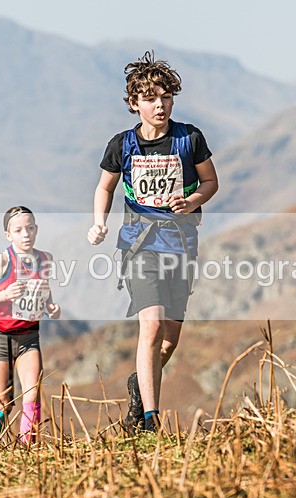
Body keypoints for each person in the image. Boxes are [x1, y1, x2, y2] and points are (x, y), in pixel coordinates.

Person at [87, 51, 219, 432]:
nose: (158, 105)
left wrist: (192, 200)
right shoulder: (121, 145)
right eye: (149, 98)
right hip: (140, 245)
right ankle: (149, 419)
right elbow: (104, 187)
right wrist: (100, 224)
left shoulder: (190, 139)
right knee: (152, 325)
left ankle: (139, 386)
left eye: (164, 97)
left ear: (173, 99)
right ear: (134, 104)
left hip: (181, 244)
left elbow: (211, 182)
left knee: (168, 342)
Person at [0, 206, 61, 444]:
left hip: (29, 337)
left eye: (30, 228)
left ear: (36, 230)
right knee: (4, 401)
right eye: (19, 230)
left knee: (32, 395)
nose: (26, 234)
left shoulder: (45, 259)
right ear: (8, 235)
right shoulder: (1, 260)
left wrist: (51, 306)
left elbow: (44, 288)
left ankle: (27, 450)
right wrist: (5, 294)